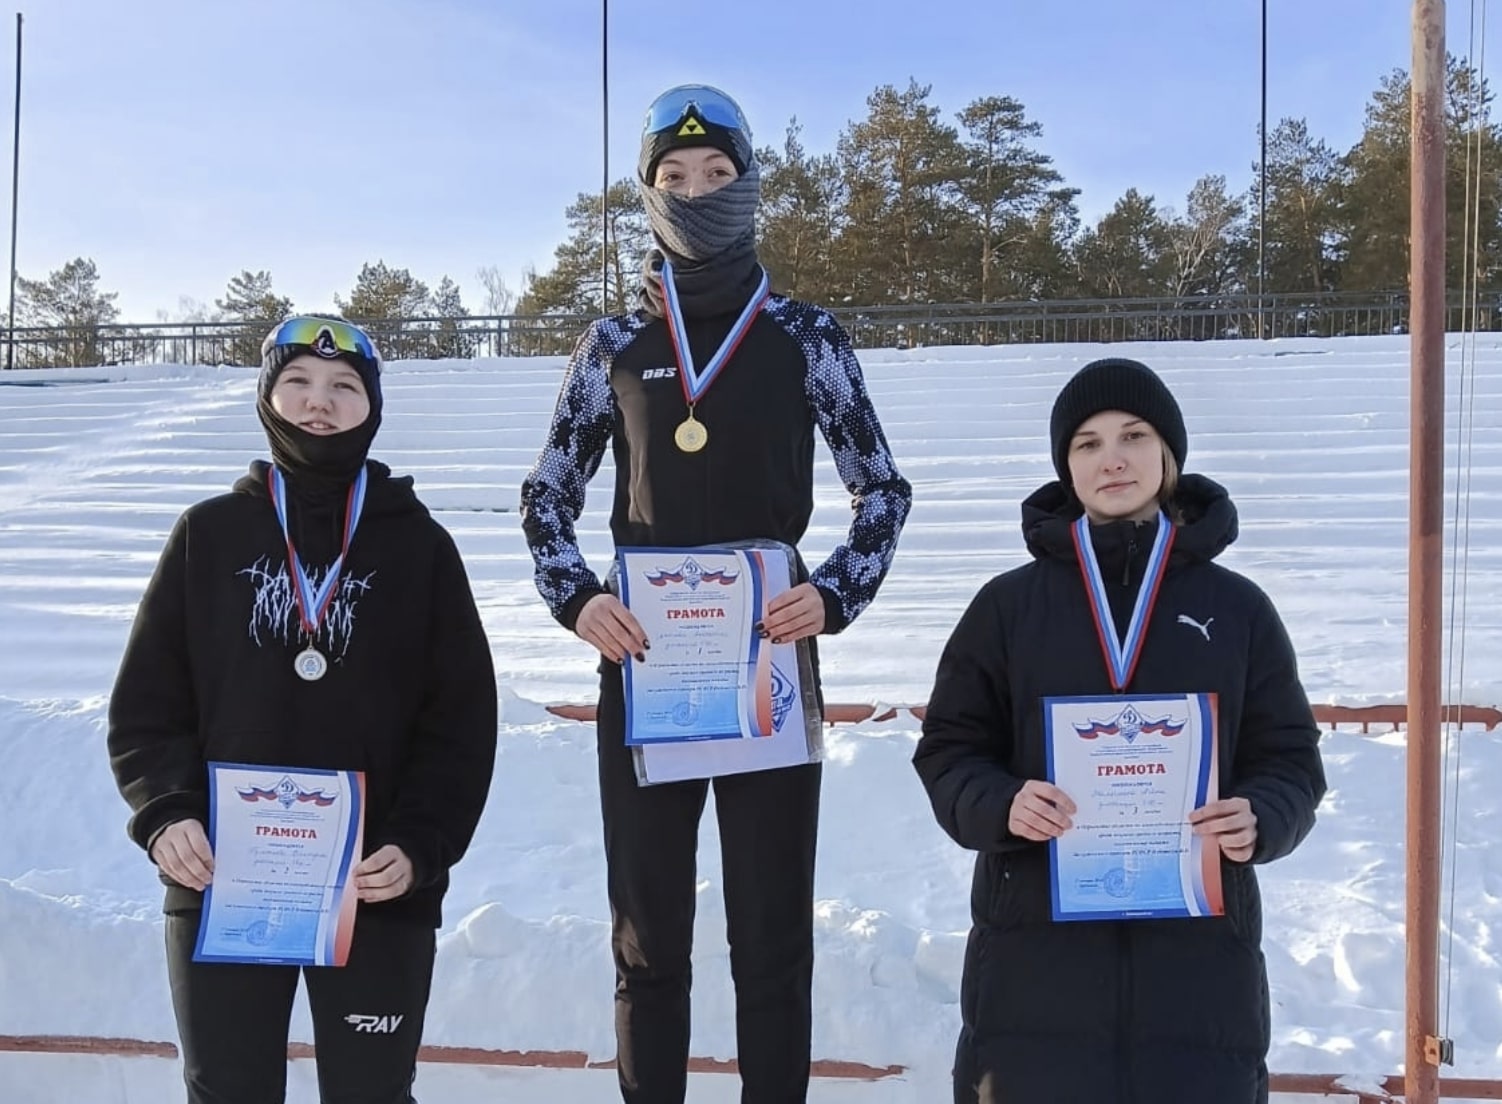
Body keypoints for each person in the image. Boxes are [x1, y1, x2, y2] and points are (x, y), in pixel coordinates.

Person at [520, 84, 912, 1103]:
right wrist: (577, 600)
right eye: (674, 177)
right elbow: (547, 494)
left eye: (716, 174)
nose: (696, 192)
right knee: (648, 940)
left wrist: (834, 593)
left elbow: (881, 489)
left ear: (748, 185)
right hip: (646, 668)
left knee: (771, 941)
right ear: (648, 193)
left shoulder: (805, 334)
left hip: (769, 663)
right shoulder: (612, 343)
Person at [912, 356, 1326, 1104]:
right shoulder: (1007, 608)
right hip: (1034, 969)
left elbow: (1290, 756)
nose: (1113, 458)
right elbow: (949, 750)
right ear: (1066, 466)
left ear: (1168, 455)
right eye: (1088, 443)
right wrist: (1002, 803)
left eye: (1134, 435)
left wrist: (1262, 814)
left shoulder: (1238, 609)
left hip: (1199, 976)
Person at [108, 315, 498, 1104]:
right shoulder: (207, 535)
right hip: (223, 877)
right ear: (267, 397)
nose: (320, 402)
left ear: (372, 407)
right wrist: (168, 814)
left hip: (375, 885)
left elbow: (460, 724)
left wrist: (420, 845)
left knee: (371, 1092)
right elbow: (147, 707)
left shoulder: (422, 547)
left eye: (344, 386)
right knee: (228, 1089)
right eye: (298, 383)